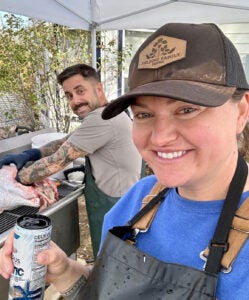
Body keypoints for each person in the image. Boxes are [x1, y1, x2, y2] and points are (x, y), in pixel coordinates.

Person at [1, 22, 249, 300]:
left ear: (240, 112)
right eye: (144, 115)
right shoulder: (137, 200)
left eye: (187, 109)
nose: (160, 138)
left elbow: (61, 156)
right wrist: (65, 270)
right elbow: (108, 289)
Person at [0, 64, 142, 258]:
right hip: (121, 201)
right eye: (69, 95)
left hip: (116, 208)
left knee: (113, 264)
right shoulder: (111, 112)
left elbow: (57, 161)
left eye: (80, 91)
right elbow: (65, 142)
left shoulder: (102, 120)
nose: (75, 101)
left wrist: (12, 181)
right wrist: (30, 155)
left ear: (98, 88)